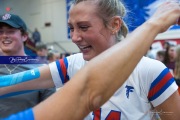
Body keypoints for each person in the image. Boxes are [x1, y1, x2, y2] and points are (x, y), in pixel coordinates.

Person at [1, 1, 180, 120]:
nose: (74, 37)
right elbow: (12, 82)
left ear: (115, 25)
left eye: (83, 27)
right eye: (71, 28)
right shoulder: (72, 63)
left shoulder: (151, 70)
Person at [0, 13, 55, 118]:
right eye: (0, 32)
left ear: (24, 36)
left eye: (10, 31)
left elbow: (50, 112)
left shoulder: (42, 69)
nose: (4, 35)